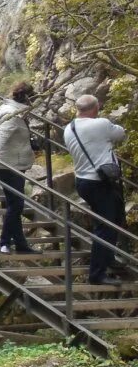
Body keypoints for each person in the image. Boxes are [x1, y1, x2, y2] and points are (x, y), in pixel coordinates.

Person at [64, 93, 127, 285]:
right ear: (96, 108)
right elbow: (121, 134)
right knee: (106, 226)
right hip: (100, 182)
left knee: (113, 219)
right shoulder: (100, 124)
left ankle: (108, 258)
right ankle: (97, 274)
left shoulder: (69, 128)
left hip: (84, 181)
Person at [0, 81, 39, 255]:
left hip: (11, 163)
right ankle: (4, 242)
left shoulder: (9, 108)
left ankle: (20, 244)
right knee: (16, 205)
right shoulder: (12, 113)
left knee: (14, 204)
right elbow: (2, 133)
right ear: (28, 99)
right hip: (8, 165)